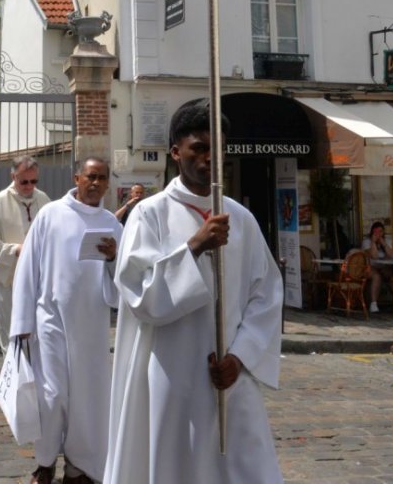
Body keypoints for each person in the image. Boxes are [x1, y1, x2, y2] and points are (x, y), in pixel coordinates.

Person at [104, 100, 283, 484]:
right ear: (176, 152)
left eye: (215, 149)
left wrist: (242, 355)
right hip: (173, 370)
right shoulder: (149, 214)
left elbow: (265, 295)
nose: (208, 159)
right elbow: (139, 295)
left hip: (230, 375)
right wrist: (193, 248)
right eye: (198, 148)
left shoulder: (242, 218)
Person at [11, 157, 121, 484]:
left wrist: (115, 258)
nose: (95, 183)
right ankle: (44, 464)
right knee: (52, 395)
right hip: (50, 320)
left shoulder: (112, 224)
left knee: (87, 399)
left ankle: (79, 467)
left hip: (92, 325)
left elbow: (127, 279)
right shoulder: (51, 215)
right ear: (77, 177)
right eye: (90, 177)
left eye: (102, 178)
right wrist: (22, 323)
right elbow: (28, 268)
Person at [0, 156, 51, 351]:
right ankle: (15, 380)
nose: (28, 186)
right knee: (13, 334)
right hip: (10, 279)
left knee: (41, 334)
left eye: (33, 181)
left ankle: (38, 380)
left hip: (40, 279)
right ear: (13, 176)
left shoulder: (43, 200)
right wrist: (16, 250)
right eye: (23, 181)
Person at [362, 221, 393, 314]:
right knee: (377, 277)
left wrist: (383, 244)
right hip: (370, 267)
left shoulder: (387, 241)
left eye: (381, 232)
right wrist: (373, 242)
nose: (379, 234)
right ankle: (373, 304)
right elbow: (374, 256)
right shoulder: (367, 242)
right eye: (376, 232)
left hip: (384, 266)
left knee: (392, 277)